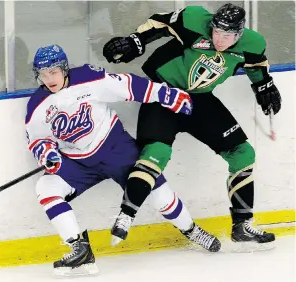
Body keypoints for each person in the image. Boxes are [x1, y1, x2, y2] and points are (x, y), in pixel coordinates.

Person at [25, 45, 221, 277]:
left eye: (54, 72)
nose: (49, 79)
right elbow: (38, 139)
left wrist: (164, 94)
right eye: (43, 74)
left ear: (64, 68)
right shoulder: (37, 105)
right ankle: (79, 247)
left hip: (116, 149)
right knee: (45, 187)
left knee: (159, 193)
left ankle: (191, 230)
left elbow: (127, 86)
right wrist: (46, 153)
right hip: (78, 163)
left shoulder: (88, 78)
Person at [103, 3, 280, 245]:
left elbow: (256, 63)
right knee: (156, 153)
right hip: (164, 94)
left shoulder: (252, 43)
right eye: (216, 32)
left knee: (243, 154)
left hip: (200, 101)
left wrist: (263, 85)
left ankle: (242, 225)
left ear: (239, 34)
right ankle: (126, 215)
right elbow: (160, 22)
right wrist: (136, 40)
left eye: (227, 35)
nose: (219, 39)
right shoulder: (195, 19)